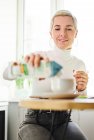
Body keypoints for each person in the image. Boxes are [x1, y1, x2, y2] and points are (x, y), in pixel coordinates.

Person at [18, 10, 88, 140]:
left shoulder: (79, 64)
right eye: (57, 28)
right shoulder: (40, 57)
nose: (62, 33)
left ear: (76, 33)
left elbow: (82, 105)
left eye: (68, 28)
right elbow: (12, 73)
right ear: (51, 33)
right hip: (34, 121)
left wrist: (83, 89)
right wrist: (24, 66)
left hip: (63, 121)